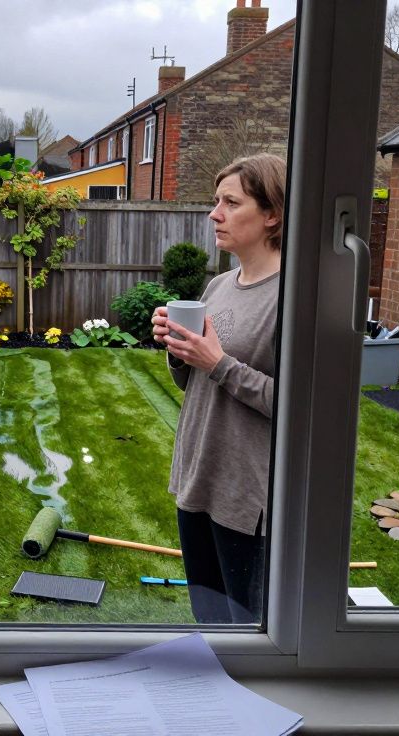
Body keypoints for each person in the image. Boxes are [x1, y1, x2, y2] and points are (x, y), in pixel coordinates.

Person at [151, 154, 285, 624]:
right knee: (208, 622)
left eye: (231, 202)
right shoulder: (219, 286)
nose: (215, 213)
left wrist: (219, 362)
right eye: (216, 201)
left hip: (246, 495)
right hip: (199, 477)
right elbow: (192, 381)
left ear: (272, 214)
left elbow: (297, 407)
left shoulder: (290, 296)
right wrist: (177, 348)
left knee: (246, 631)